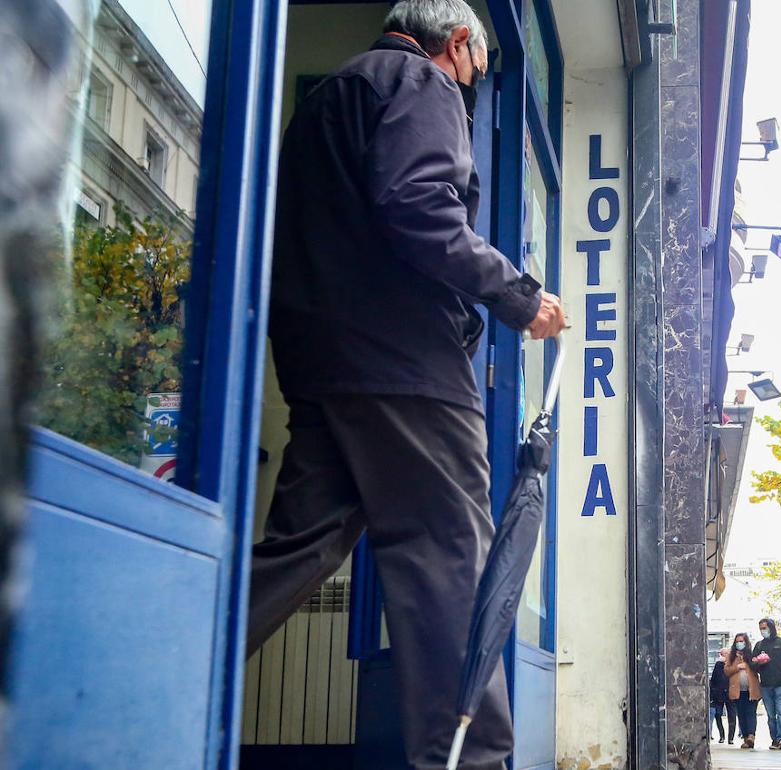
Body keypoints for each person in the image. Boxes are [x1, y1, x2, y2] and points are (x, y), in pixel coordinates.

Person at [246, 1, 568, 767]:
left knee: (296, 552)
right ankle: (473, 760)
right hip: (407, 369)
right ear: (457, 44)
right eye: (475, 77)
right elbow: (420, 206)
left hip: (324, 366)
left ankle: (172, 662)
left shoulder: (327, 100)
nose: (467, 93)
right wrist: (519, 296)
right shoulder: (418, 82)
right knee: (451, 563)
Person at [753, 618, 781, 750]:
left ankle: (780, 737)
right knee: (771, 715)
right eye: (761, 628)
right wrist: (758, 663)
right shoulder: (759, 645)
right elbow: (753, 663)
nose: (763, 631)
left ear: (771, 628)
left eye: (764, 628)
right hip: (766, 684)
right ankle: (774, 739)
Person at [724, 633, 761, 749]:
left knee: (751, 712)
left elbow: (757, 668)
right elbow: (726, 671)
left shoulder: (751, 655)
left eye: (742, 641)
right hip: (737, 691)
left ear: (746, 642)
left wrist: (752, 663)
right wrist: (738, 667)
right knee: (741, 714)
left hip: (751, 690)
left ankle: (751, 736)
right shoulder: (731, 656)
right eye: (737, 641)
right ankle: (745, 738)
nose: (740, 643)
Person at [710, 648, 734, 744]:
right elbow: (714, 679)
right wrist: (713, 693)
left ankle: (730, 738)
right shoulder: (718, 665)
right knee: (718, 714)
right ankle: (722, 735)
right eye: (722, 654)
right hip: (719, 694)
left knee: (732, 715)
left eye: (726, 654)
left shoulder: (732, 664)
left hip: (730, 693)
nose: (723, 656)